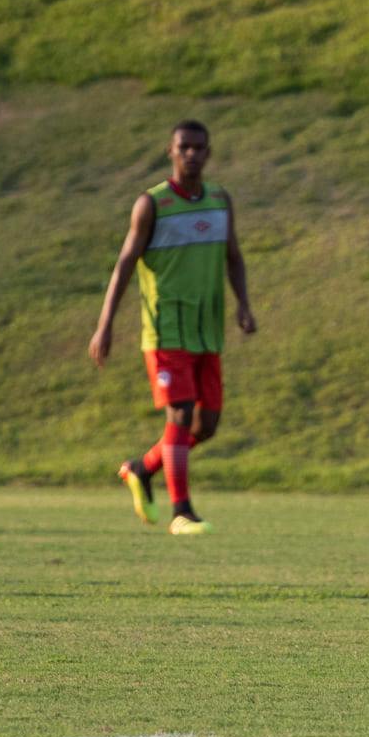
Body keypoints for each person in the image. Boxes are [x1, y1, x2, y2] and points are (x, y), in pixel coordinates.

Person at [89, 121, 256, 535]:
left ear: (209, 152)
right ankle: (182, 511)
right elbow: (125, 263)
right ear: (171, 151)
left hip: (207, 329)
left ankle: (142, 469)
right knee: (179, 414)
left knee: (207, 425)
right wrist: (104, 324)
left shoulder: (220, 200)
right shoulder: (152, 204)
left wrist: (244, 305)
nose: (192, 154)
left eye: (199, 147)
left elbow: (233, 256)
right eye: (184, 147)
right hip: (166, 330)